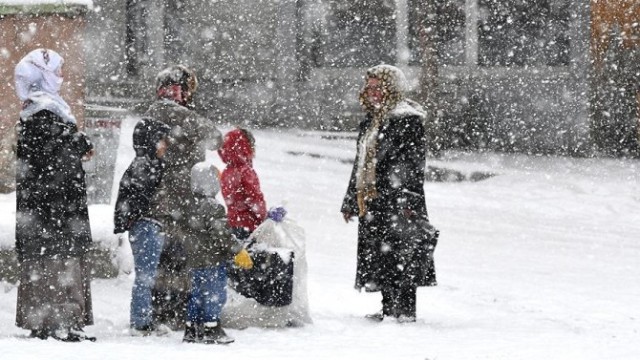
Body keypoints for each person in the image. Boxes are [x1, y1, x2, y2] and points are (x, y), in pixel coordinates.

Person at [341, 64, 437, 323]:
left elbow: (413, 163)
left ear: (391, 88)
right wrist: (351, 199)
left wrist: (408, 199)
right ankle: (387, 308)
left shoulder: (407, 120)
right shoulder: (372, 121)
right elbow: (360, 163)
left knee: (402, 252)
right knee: (380, 254)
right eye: (368, 87)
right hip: (373, 199)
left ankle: (404, 311)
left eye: (377, 87)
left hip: (398, 199)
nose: (371, 92)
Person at [14, 48, 96, 341]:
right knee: (58, 263)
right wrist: (75, 144)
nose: (61, 76)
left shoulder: (42, 109)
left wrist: (74, 142)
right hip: (55, 212)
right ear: (43, 75)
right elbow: (53, 160)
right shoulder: (44, 112)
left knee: (48, 262)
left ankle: (50, 320)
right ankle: (58, 322)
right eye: (57, 71)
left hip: (45, 212)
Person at [144, 65, 223, 329]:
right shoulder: (171, 111)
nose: (189, 95)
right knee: (176, 255)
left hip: (169, 197)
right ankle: (171, 311)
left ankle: (167, 310)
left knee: (169, 256)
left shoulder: (159, 111)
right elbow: (215, 137)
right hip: (174, 199)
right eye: (187, 89)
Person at [181, 163, 253, 344]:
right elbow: (222, 235)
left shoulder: (188, 205)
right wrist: (238, 251)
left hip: (193, 261)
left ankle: (192, 329)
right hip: (211, 260)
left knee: (195, 295)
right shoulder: (213, 207)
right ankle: (211, 328)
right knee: (214, 295)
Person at [113, 118, 171, 335]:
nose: (165, 145)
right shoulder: (145, 165)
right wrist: (142, 216)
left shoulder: (149, 164)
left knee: (149, 276)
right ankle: (140, 322)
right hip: (146, 226)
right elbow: (138, 198)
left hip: (150, 225)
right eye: (162, 141)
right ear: (151, 141)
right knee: (145, 276)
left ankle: (145, 317)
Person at [218, 128, 285, 241]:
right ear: (245, 147)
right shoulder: (245, 171)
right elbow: (254, 200)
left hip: (234, 224)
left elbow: (235, 201)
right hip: (249, 226)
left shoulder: (227, 172)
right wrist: (266, 216)